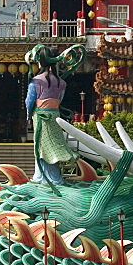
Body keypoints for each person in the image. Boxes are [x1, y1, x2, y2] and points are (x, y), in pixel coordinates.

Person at [24, 44, 85, 186]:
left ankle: (42, 177)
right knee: (53, 144)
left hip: (40, 116)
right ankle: (55, 176)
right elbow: (60, 99)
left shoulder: (36, 81)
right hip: (55, 115)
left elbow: (29, 101)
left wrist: (28, 115)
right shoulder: (61, 82)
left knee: (40, 147)